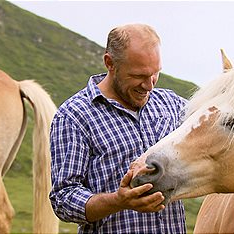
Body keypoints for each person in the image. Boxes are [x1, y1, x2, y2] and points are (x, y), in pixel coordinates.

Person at [49, 23, 187, 233]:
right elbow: (64, 199)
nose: (149, 85)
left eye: (155, 73)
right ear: (109, 63)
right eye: (139, 76)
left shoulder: (171, 104)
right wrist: (118, 201)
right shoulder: (74, 115)